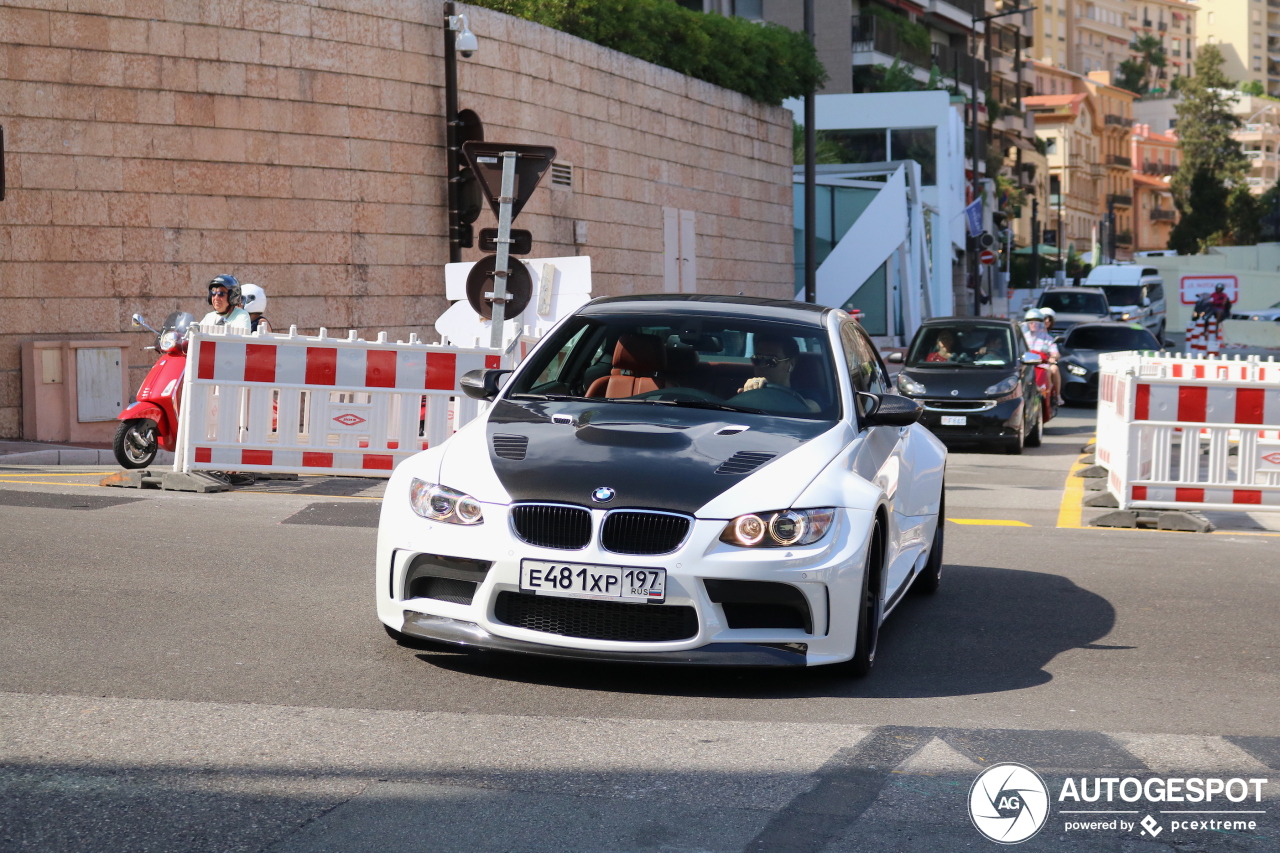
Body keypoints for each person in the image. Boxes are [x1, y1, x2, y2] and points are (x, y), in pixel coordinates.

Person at [737, 333, 819, 412]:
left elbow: (810, 409)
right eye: (757, 359)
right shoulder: (748, 389)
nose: (762, 365)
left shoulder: (807, 395)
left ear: (791, 364)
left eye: (771, 361)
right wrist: (748, 395)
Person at [1022, 309, 1062, 406]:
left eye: (1037, 322)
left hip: (1042, 365)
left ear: (1041, 323)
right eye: (1030, 322)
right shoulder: (1023, 337)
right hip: (1026, 364)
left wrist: (1054, 357)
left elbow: (1055, 353)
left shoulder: (1047, 338)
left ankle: (1056, 396)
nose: (1033, 324)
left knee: (1054, 368)